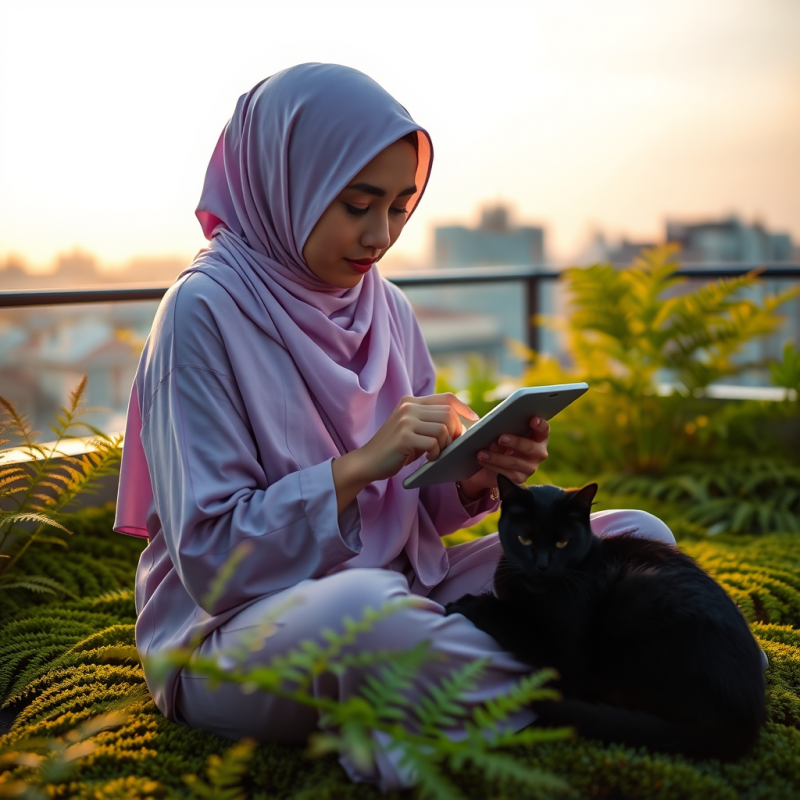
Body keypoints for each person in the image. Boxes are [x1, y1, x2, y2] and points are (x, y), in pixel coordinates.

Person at [114, 63, 675, 791]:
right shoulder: (202, 314)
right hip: (237, 634)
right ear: (288, 183)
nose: (380, 235)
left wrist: (475, 475)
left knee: (635, 542)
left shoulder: (385, 307)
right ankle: (621, 674)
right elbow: (213, 559)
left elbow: (413, 516)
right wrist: (357, 467)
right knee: (368, 621)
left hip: (403, 588)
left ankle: (477, 688)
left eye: (400, 208)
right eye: (357, 204)